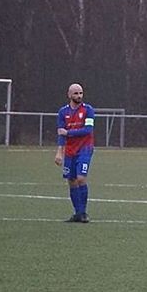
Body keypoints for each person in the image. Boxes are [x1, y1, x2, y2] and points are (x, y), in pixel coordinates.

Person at [54, 83, 95, 222]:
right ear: (69, 95)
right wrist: (59, 152)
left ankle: (83, 213)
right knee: (71, 181)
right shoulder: (62, 112)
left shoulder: (88, 110)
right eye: (76, 93)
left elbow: (88, 130)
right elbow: (61, 134)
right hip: (70, 150)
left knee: (81, 178)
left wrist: (68, 132)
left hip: (85, 148)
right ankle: (78, 213)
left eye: (81, 93)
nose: (79, 96)